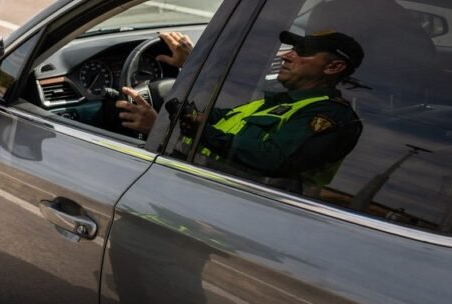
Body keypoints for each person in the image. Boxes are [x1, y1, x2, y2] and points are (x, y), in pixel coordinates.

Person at [117, 29, 364, 191]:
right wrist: (168, 110)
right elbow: (208, 118)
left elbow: (268, 160)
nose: (288, 55)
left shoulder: (331, 116)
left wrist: (159, 129)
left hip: (235, 217)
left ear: (333, 67)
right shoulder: (276, 103)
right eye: (293, 48)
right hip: (200, 195)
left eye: (304, 51)